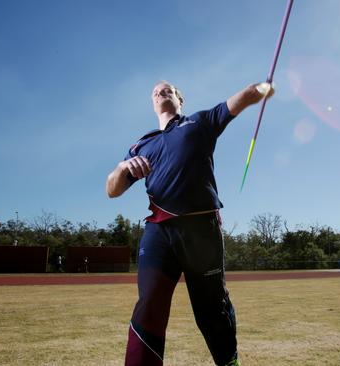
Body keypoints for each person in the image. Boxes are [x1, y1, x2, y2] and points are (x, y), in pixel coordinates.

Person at [106, 80, 273, 366]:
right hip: (159, 231)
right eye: (156, 91)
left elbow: (239, 101)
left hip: (201, 230)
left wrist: (258, 89)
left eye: (167, 89)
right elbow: (113, 190)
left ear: (179, 99)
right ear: (152, 102)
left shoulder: (199, 122)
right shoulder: (142, 144)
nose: (160, 91)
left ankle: (229, 361)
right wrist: (122, 168)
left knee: (211, 310)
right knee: (149, 306)